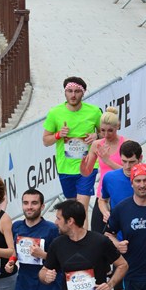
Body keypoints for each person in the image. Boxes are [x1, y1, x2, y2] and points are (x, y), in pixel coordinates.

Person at [43, 78, 102, 208]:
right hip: (65, 166)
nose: (73, 95)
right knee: (72, 208)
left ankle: (84, 227)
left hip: (88, 165)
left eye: (77, 91)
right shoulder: (55, 113)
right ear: (65, 93)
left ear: (83, 93)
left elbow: (106, 133)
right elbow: (46, 141)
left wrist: (96, 135)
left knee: (82, 207)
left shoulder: (94, 112)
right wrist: (58, 135)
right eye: (69, 91)